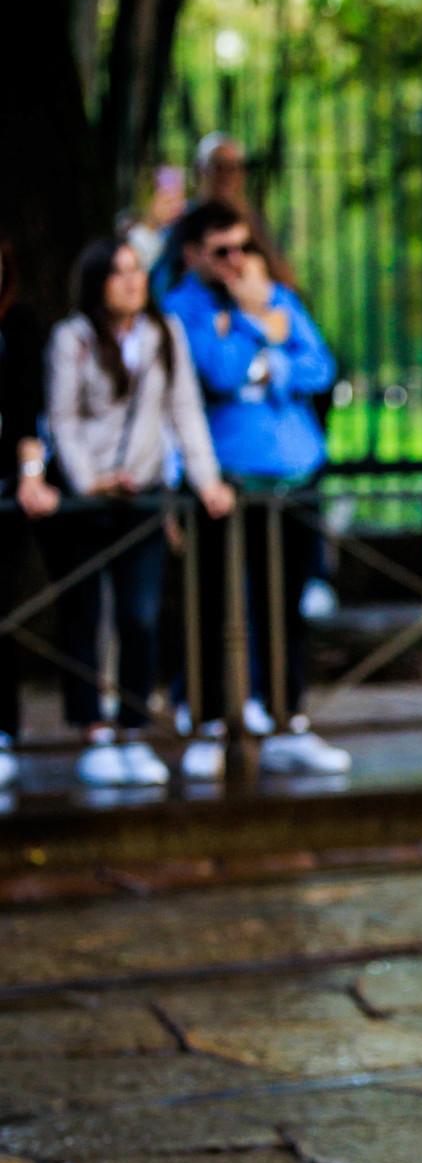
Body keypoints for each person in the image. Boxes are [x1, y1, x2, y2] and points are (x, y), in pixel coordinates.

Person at [163, 201, 349, 777]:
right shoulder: (181, 307)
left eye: (244, 248)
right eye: (222, 252)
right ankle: (211, 720)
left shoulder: (277, 298)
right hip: (224, 481)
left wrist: (264, 357)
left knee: (286, 602)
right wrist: (260, 327)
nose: (237, 262)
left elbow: (320, 366)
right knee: (213, 602)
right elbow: (214, 369)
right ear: (193, 254)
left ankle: (286, 716)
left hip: (294, 476)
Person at [39, 238, 233, 787]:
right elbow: (63, 419)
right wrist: (88, 481)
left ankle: (131, 725)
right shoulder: (71, 339)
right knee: (85, 612)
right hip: (85, 497)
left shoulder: (162, 334)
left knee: (140, 614)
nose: (132, 281)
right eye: (118, 273)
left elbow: (185, 411)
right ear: (96, 282)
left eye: (137, 271)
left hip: (144, 497)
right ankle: (91, 727)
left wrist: (207, 479)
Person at [0, 235, 51, 791]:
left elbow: (26, 406)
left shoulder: (19, 324)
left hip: (6, 487)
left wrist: (31, 474)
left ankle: (3, 730)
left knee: (3, 613)